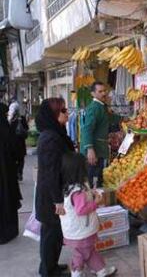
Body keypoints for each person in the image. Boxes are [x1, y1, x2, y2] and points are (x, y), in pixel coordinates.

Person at [60, 152, 117, 277]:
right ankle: (77, 272)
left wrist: (90, 192)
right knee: (82, 253)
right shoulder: (78, 191)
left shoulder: (71, 187)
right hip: (81, 232)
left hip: (77, 230)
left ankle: (101, 270)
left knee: (88, 251)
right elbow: (81, 210)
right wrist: (96, 202)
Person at [35, 98, 75, 277]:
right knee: (51, 234)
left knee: (55, 234)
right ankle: (48, 271)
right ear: (54, 115)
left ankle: (51, 266)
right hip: (51, 196)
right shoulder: (51, 138)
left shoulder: (55, 132)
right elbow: (51, 172)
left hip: (54, 191)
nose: (67, 113)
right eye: (63, 110)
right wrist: (57, 200)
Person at [80, 82, 121, 188]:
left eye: (104, 91)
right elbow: (87, 129)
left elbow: (109, 117)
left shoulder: (101, 106)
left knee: (98, 178)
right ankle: (90, 202)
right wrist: (89, 149)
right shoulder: (94, 108)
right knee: (92, 180)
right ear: (93, 94)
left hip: (100, 149)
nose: (104, 93)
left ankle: (96, 200)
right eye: (100, 91)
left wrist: (125, 119)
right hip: (94, 151)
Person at [0, 103, 22, 244]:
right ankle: (7, 231)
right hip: (5, 172)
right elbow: (14, 148)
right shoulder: (4, 127)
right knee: (6, 198)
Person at [9, 106, 29, 181]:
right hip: (20, 142)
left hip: (13, 143)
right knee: (21, 159)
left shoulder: (10, 119)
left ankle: (15, 173)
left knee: (14, 159)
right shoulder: (22, 118)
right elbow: (26, 128)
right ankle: (19, 173)